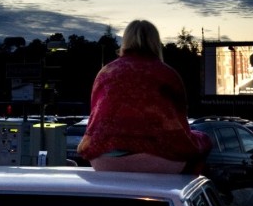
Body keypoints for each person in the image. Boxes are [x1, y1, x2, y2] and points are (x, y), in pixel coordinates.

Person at [77, 20, 211, 173]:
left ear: (125, 41)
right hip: (160, 161)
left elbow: (95, 114)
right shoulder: (167, 74)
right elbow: (180, 123)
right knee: (203, 140)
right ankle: (186, 187)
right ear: (155, 42)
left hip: (103, 160)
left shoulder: (105, 73)